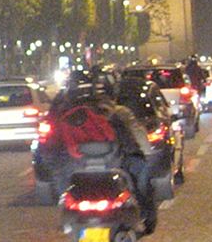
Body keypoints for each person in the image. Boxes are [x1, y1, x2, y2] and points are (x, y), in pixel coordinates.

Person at [52, 68, 157, 233]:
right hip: (114, 168)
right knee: (142, 178)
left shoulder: (62, 116)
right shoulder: (117, 113)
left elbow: (51, 151)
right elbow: (134, 143)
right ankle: (145, 219)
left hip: (77, 173)